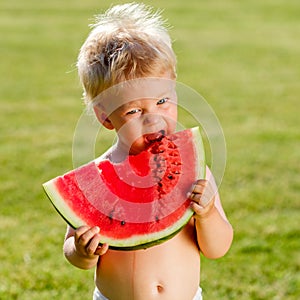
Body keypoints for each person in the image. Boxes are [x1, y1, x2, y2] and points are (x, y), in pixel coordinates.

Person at [63, 3, 233, 300]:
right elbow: (71, 251)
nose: (153, 118)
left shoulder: (193, 174)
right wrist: (82, 250)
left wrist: (207, 216)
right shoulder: (95, 180)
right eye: (134, 110)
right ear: (105, 116)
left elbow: (217, 248)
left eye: (163, 101)